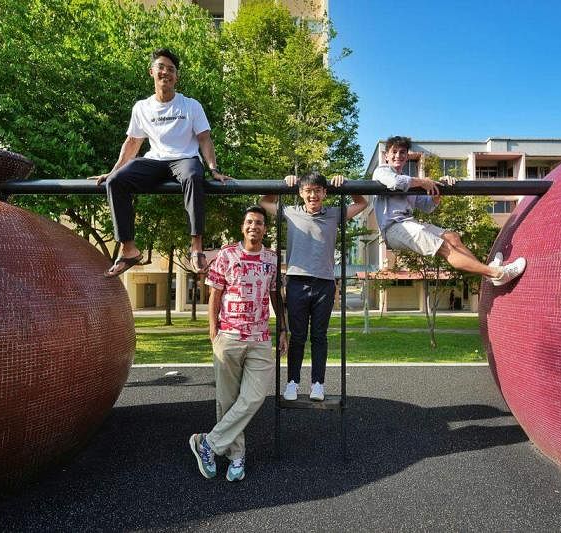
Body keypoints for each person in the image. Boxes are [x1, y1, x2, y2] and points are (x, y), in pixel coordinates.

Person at [90, 48, 230, 277]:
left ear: (177, 76)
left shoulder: (191, 105)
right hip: (155, 161)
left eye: (171, 70)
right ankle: (129, 249)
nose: (166, 72)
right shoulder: (142, 107)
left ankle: (196, 247)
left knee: (195, 176)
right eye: (162, 68)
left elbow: (205, 138)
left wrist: (213, 169)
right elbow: (133, 143)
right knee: (116, 181)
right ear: (152, 72)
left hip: (185, 159)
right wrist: (113, 171)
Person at [189, 206, 287, 482]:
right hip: (229, 337)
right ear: (242, 227)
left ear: (265, 229)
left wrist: (283, 330)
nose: (253, 226)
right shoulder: (227, 254)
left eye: (259, 222)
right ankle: (236, 456)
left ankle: (207, 443)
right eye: (249, 222)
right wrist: (213, 331)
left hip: (259, 340)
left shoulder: (271, 258)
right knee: (227, 400)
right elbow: (214, 294)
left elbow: (276, 296)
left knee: (254, 397)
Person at [260, 173, 367, 402]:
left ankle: (318, 384)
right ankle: (293, 382)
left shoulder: (333, 214)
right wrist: (281, 184)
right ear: (301, 193)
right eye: (308, 190)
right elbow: (263, 202)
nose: (313, 195)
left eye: (318, 190)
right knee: (297, 336)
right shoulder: (291, 212)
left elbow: (362, 203)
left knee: (319, 336)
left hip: (324, 283)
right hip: (297, 281)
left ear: (325, 193)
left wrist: (346, 184)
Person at [372, 136, 526, 286]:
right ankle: (499, 274)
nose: (398, 155)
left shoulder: (410, 180)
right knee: (445, 248)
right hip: (393, 227)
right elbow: (394, 182)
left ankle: (489, 273)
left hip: (409, 223)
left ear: (407, 156)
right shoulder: (382, 171)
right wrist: (423, 182)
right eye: (394, 152)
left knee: (452, 237)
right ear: (387, 156)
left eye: (402, 152)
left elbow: (427, 206)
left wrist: (440, 189)